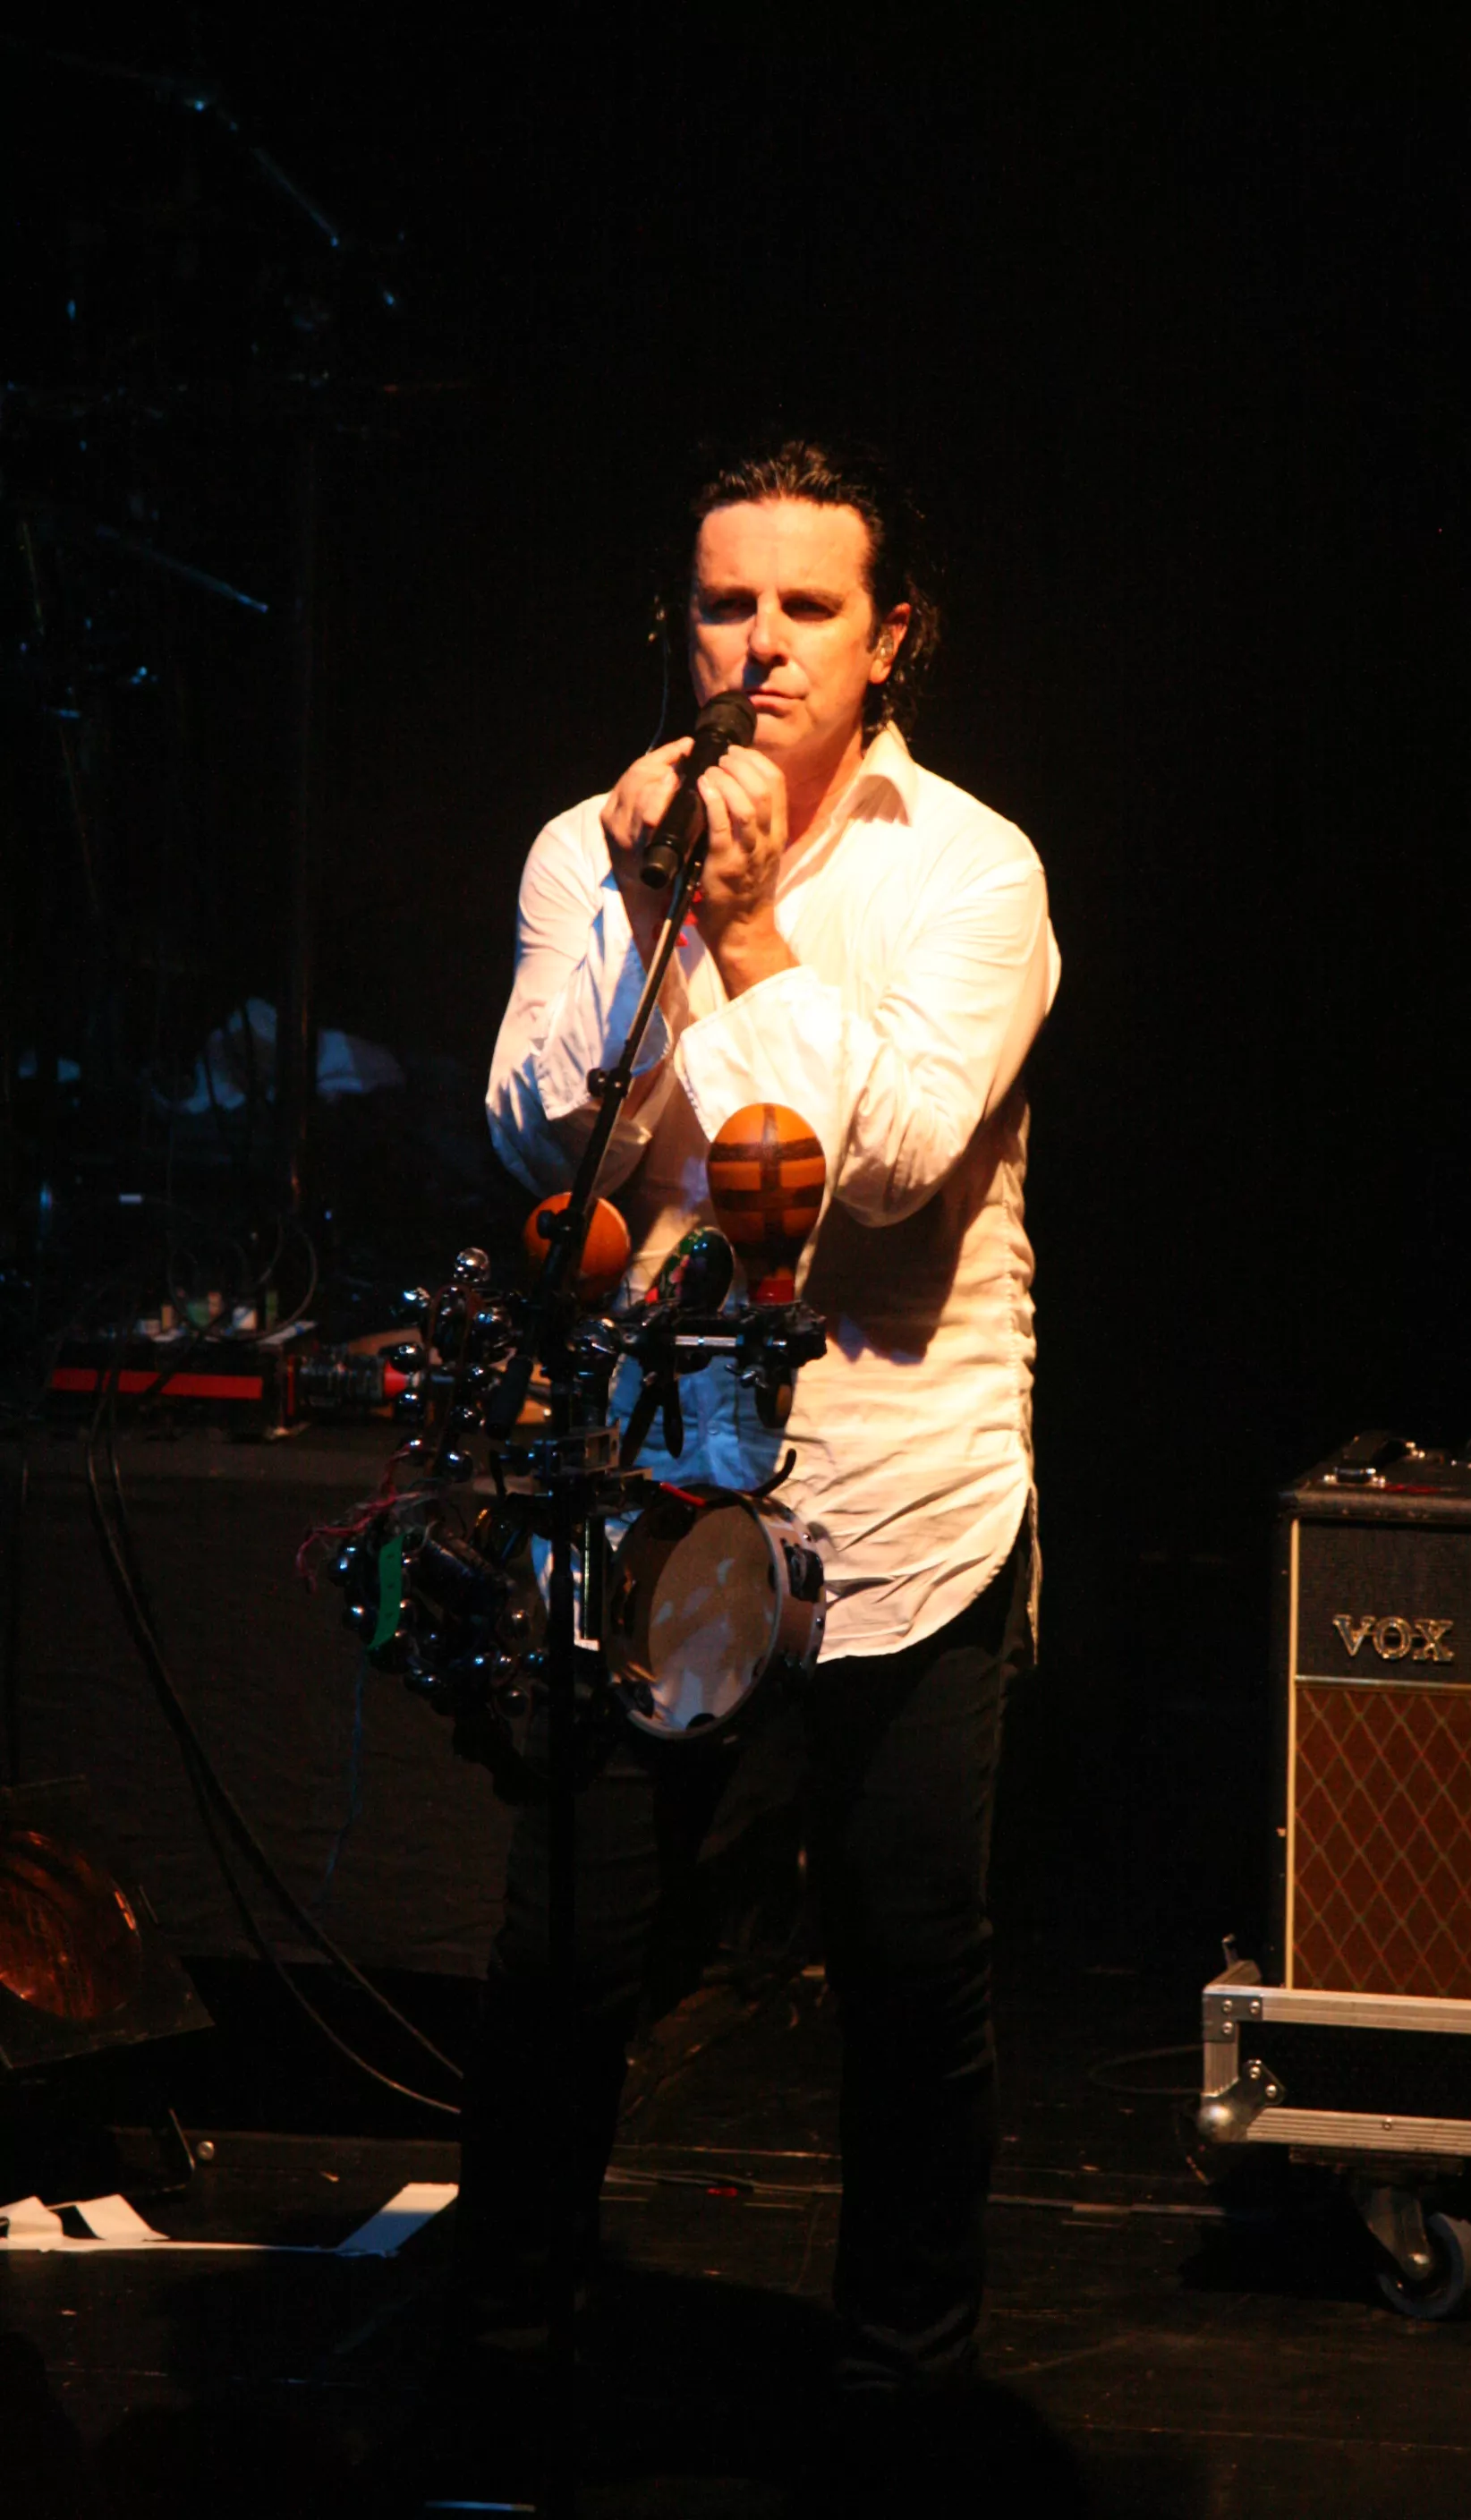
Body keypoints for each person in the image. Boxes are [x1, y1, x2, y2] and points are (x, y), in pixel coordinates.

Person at [478, 437, 1059, 2416]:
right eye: (727, 604)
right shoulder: (588, 850)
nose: (762, 644)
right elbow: (536, 1136)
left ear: (888, 638)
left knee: (904, 1965)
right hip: (654, 1488)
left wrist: (742, 940)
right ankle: (508, 2345)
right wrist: (649, 910)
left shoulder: (973, 869)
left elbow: (874, 1171)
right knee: (568, 1950)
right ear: (685, 626)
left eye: (808, 607)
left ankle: (904, 2382)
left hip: (903, 1493)